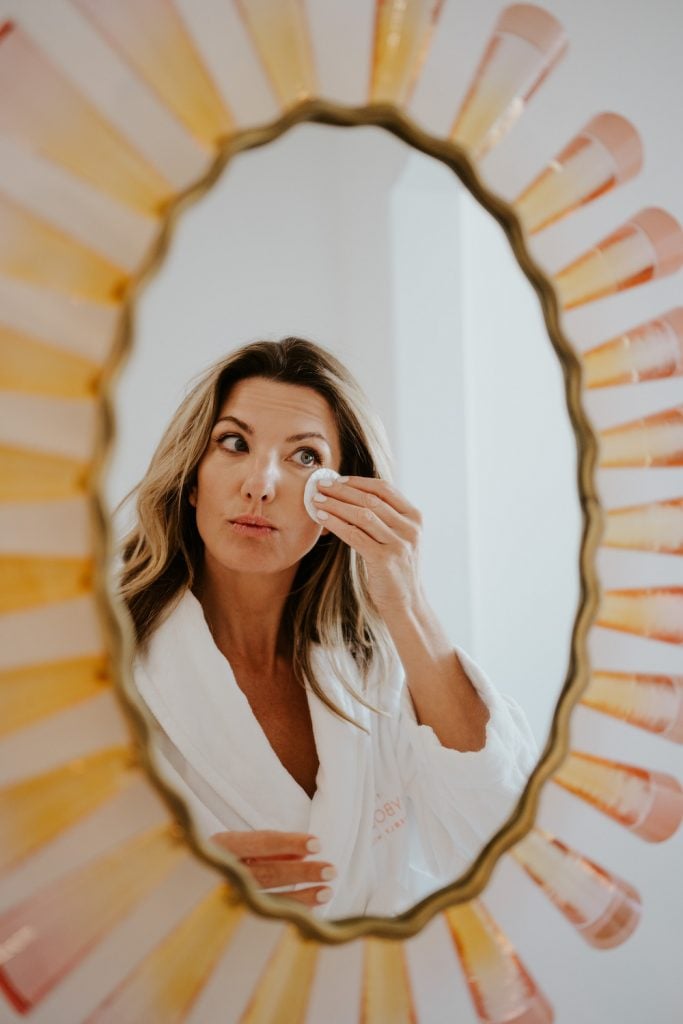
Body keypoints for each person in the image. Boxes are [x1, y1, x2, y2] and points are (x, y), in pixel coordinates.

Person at [121, 336, 536, 918]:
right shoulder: (101, 662)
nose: (261, 484)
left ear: (338, 499)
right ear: (192, 478)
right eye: (234, 443)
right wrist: (169, 882)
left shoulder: (375, 672)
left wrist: (407, 602)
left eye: (306, 457)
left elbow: (502, 841)